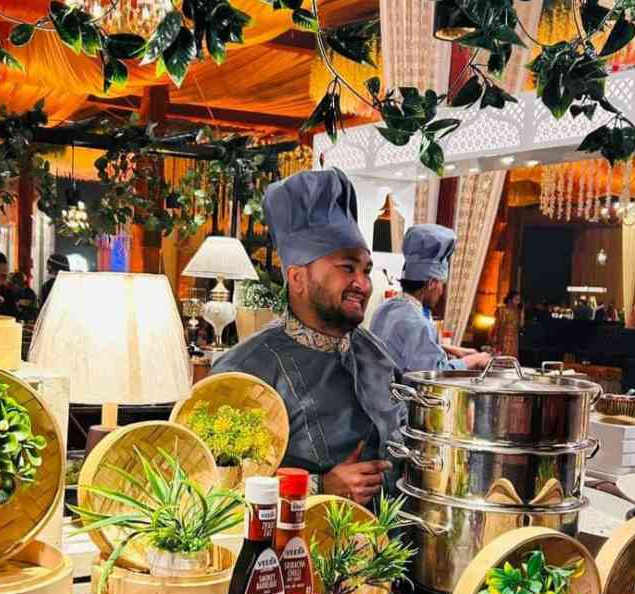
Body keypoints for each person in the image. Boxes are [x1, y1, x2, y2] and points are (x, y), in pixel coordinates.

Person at [212, 168, 401, 505]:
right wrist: (319, 487)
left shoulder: (379, 355)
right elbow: (212, 486)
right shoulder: (244, 371)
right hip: (295, 552)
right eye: (347, 268)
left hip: (390, 550)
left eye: (366, 270)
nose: (363, 283)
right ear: (297, 278)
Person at [369, 224, 489, 373]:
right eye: (441, 284)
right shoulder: (418, 323)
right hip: (398, 396)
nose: (441, 291)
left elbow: (404, 347)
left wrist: (451, 349)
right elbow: (433, 375)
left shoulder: (385, 308)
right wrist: (473, 360)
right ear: (432, 283)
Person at [492, 290, 522, 358]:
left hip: (513, 338)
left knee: (512, 358)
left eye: (519, 300)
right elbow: (497, 326)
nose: (518, 302)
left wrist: (522, 313)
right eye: (516, 300)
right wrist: (495, 338)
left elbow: (520, 326)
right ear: (510, 300)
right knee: (502, 356)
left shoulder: (517, 311)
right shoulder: (501, 310)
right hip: (503, 337)